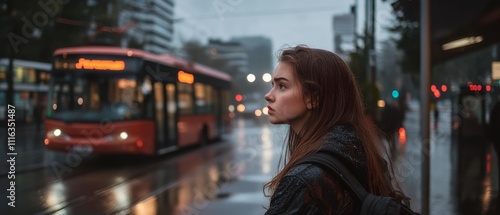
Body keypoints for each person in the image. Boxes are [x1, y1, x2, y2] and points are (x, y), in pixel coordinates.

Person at [263, 45, 409, 214]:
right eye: (273, 84)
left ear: (313, 98)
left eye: (282, 86)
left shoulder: (302, 182)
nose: (269, 95)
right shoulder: (360, 153)